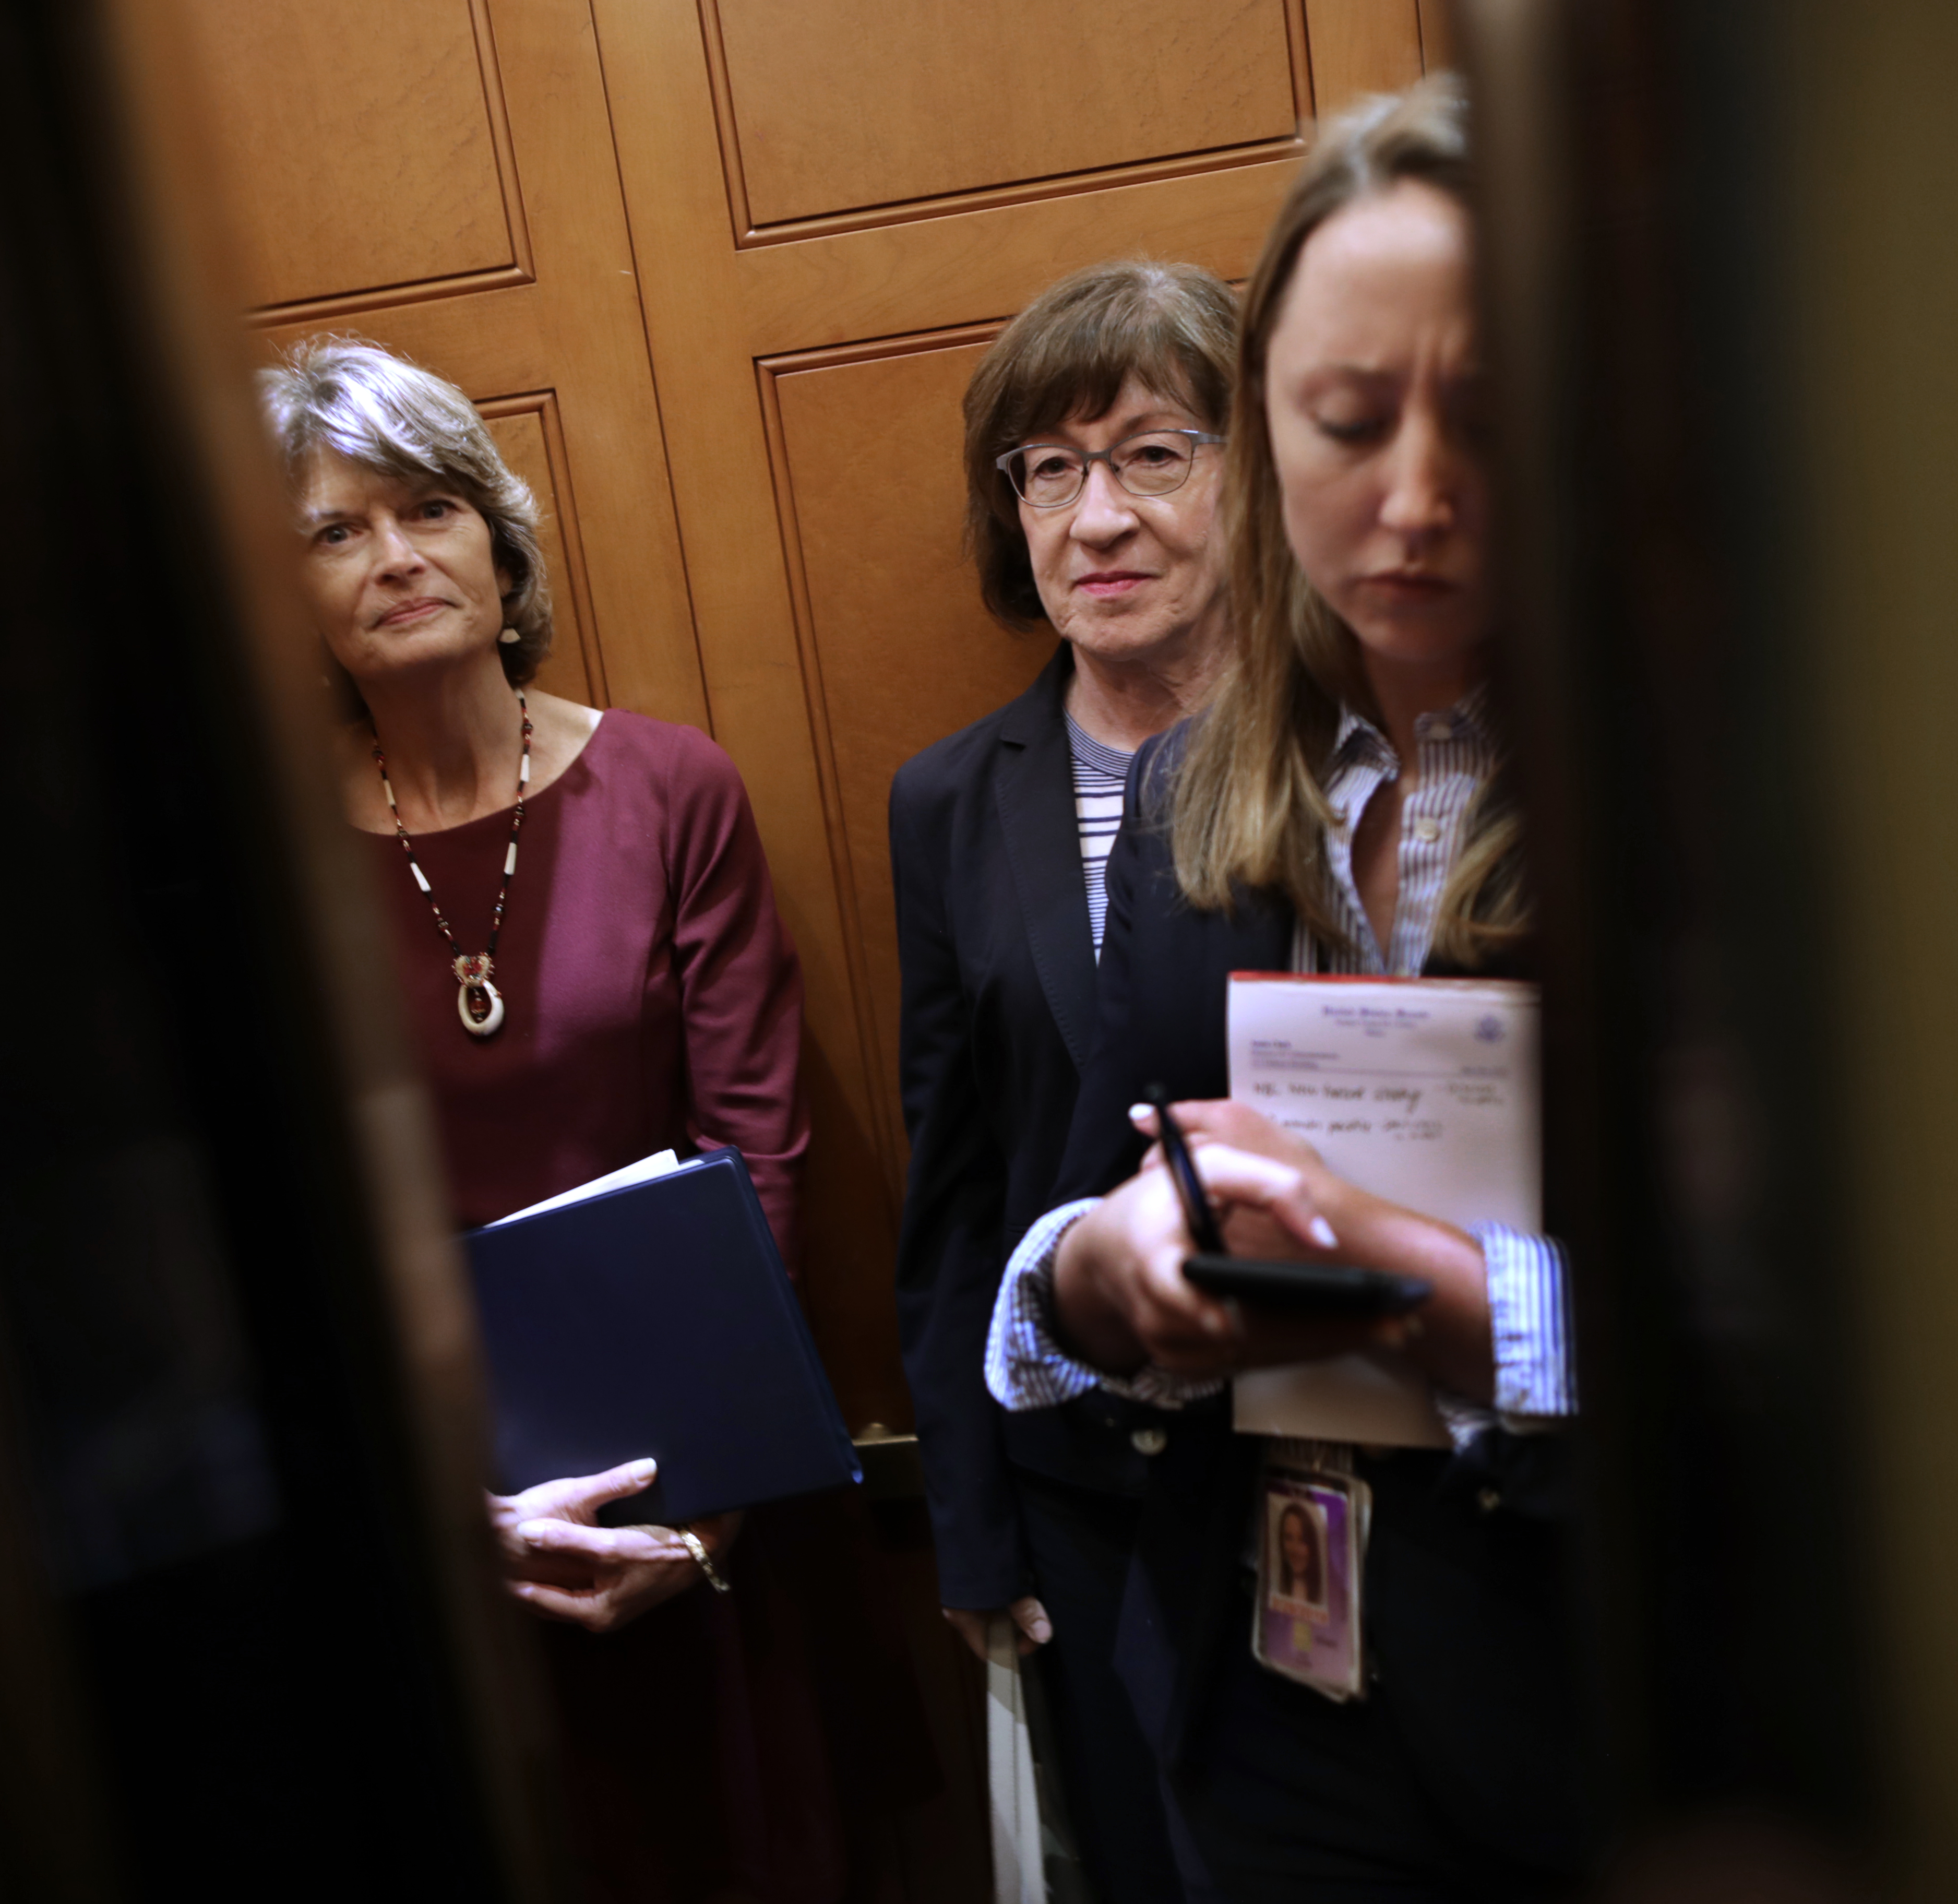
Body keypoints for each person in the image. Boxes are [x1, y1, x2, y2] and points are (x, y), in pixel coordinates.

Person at [984, 84, 1594, 1901]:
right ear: (1264, 433)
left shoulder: (1708, 801)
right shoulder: (1193, 786)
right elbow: (1082, 1215)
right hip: (1266, 1684)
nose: (1412, 496)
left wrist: (1426, 1296)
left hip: (1609, 1688)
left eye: (1483, 418)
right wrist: (1103, 1277)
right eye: (1344, 418)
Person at [261, 336, 854, 1902]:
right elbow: (282, 1225)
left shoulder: (671, 789)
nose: (396, 557)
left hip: (692, 1486)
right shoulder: (273, 869)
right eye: (334, 530)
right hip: (433, 1532)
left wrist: (706, 1518)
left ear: (496, 536)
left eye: (430, 507)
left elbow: (761, 1157)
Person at [889, 258, 1237, 1900]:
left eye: (1156, 453)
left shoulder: (1358, 764)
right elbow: (952, 1178)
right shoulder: (949, 801)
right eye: (1049, 468)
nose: (1096, 517)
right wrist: (970, 1519)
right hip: (1078, 1496)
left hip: (1338, 1465)